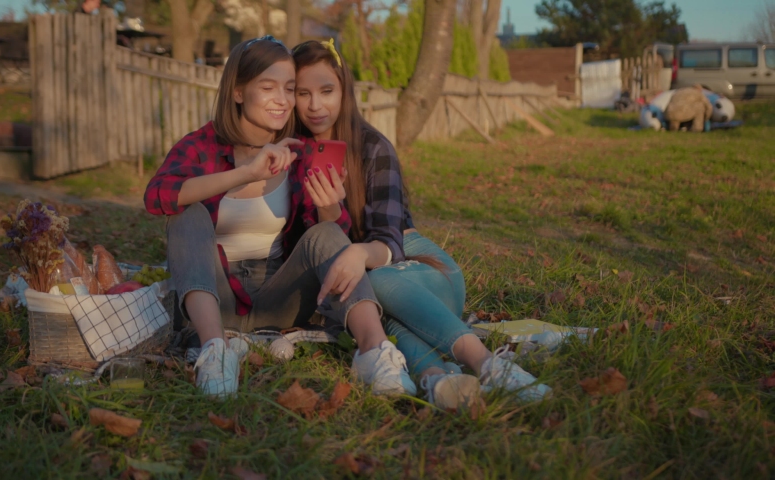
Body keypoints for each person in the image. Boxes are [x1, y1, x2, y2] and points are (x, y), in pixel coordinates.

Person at [144, 36, 416, 399]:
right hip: (213, 295)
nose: (283, 100)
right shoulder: (202, 145)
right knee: (186, 214)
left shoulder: (296, 154)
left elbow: (321, 242)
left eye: (289, 89)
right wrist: (245, 173)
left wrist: (331, 208)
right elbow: (157, 196)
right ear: (238, 92)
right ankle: (214, 352)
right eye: (268, 87)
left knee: (326, 234)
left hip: (280, 299)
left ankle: (374, 351)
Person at [291, 39, 552, 409]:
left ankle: (486, 363)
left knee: (373, 283)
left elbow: (389, 242)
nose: (316, 105)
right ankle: (438, 383)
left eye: (326, 90)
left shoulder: (373, 148)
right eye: (303, 93)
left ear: (344, 89)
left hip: (423, 270)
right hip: (363, 291)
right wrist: (329, 213)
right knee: (373, 311)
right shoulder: (291, 155)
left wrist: (357, 253)